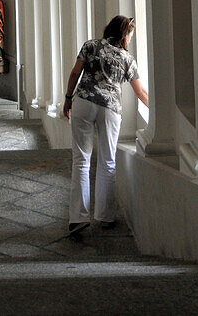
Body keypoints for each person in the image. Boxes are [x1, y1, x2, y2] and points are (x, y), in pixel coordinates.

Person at [62, 15, 149, 237]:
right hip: (110, 109)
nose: (130, 39)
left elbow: (75, 73)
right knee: (107, 161)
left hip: (83, 102)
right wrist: (156, 111)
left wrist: (68, 98)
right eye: (130, 35)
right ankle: (105, 216)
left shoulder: (90, 45)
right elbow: (140, 92)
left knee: (81, 159)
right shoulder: (127, 59)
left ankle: (78, 218)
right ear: (124, 35)